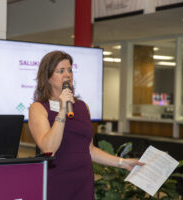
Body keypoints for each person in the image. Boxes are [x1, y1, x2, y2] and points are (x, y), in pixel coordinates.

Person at [28, 51, 144, 200]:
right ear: (48, 77)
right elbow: (48, 149)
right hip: (56, 181)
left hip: (83, 182)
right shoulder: (38, 108)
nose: (67, 75)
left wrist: (122, 163)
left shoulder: (82, 107)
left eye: (70, 70)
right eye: (61, 71)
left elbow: (89, 150)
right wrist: (62, 110)